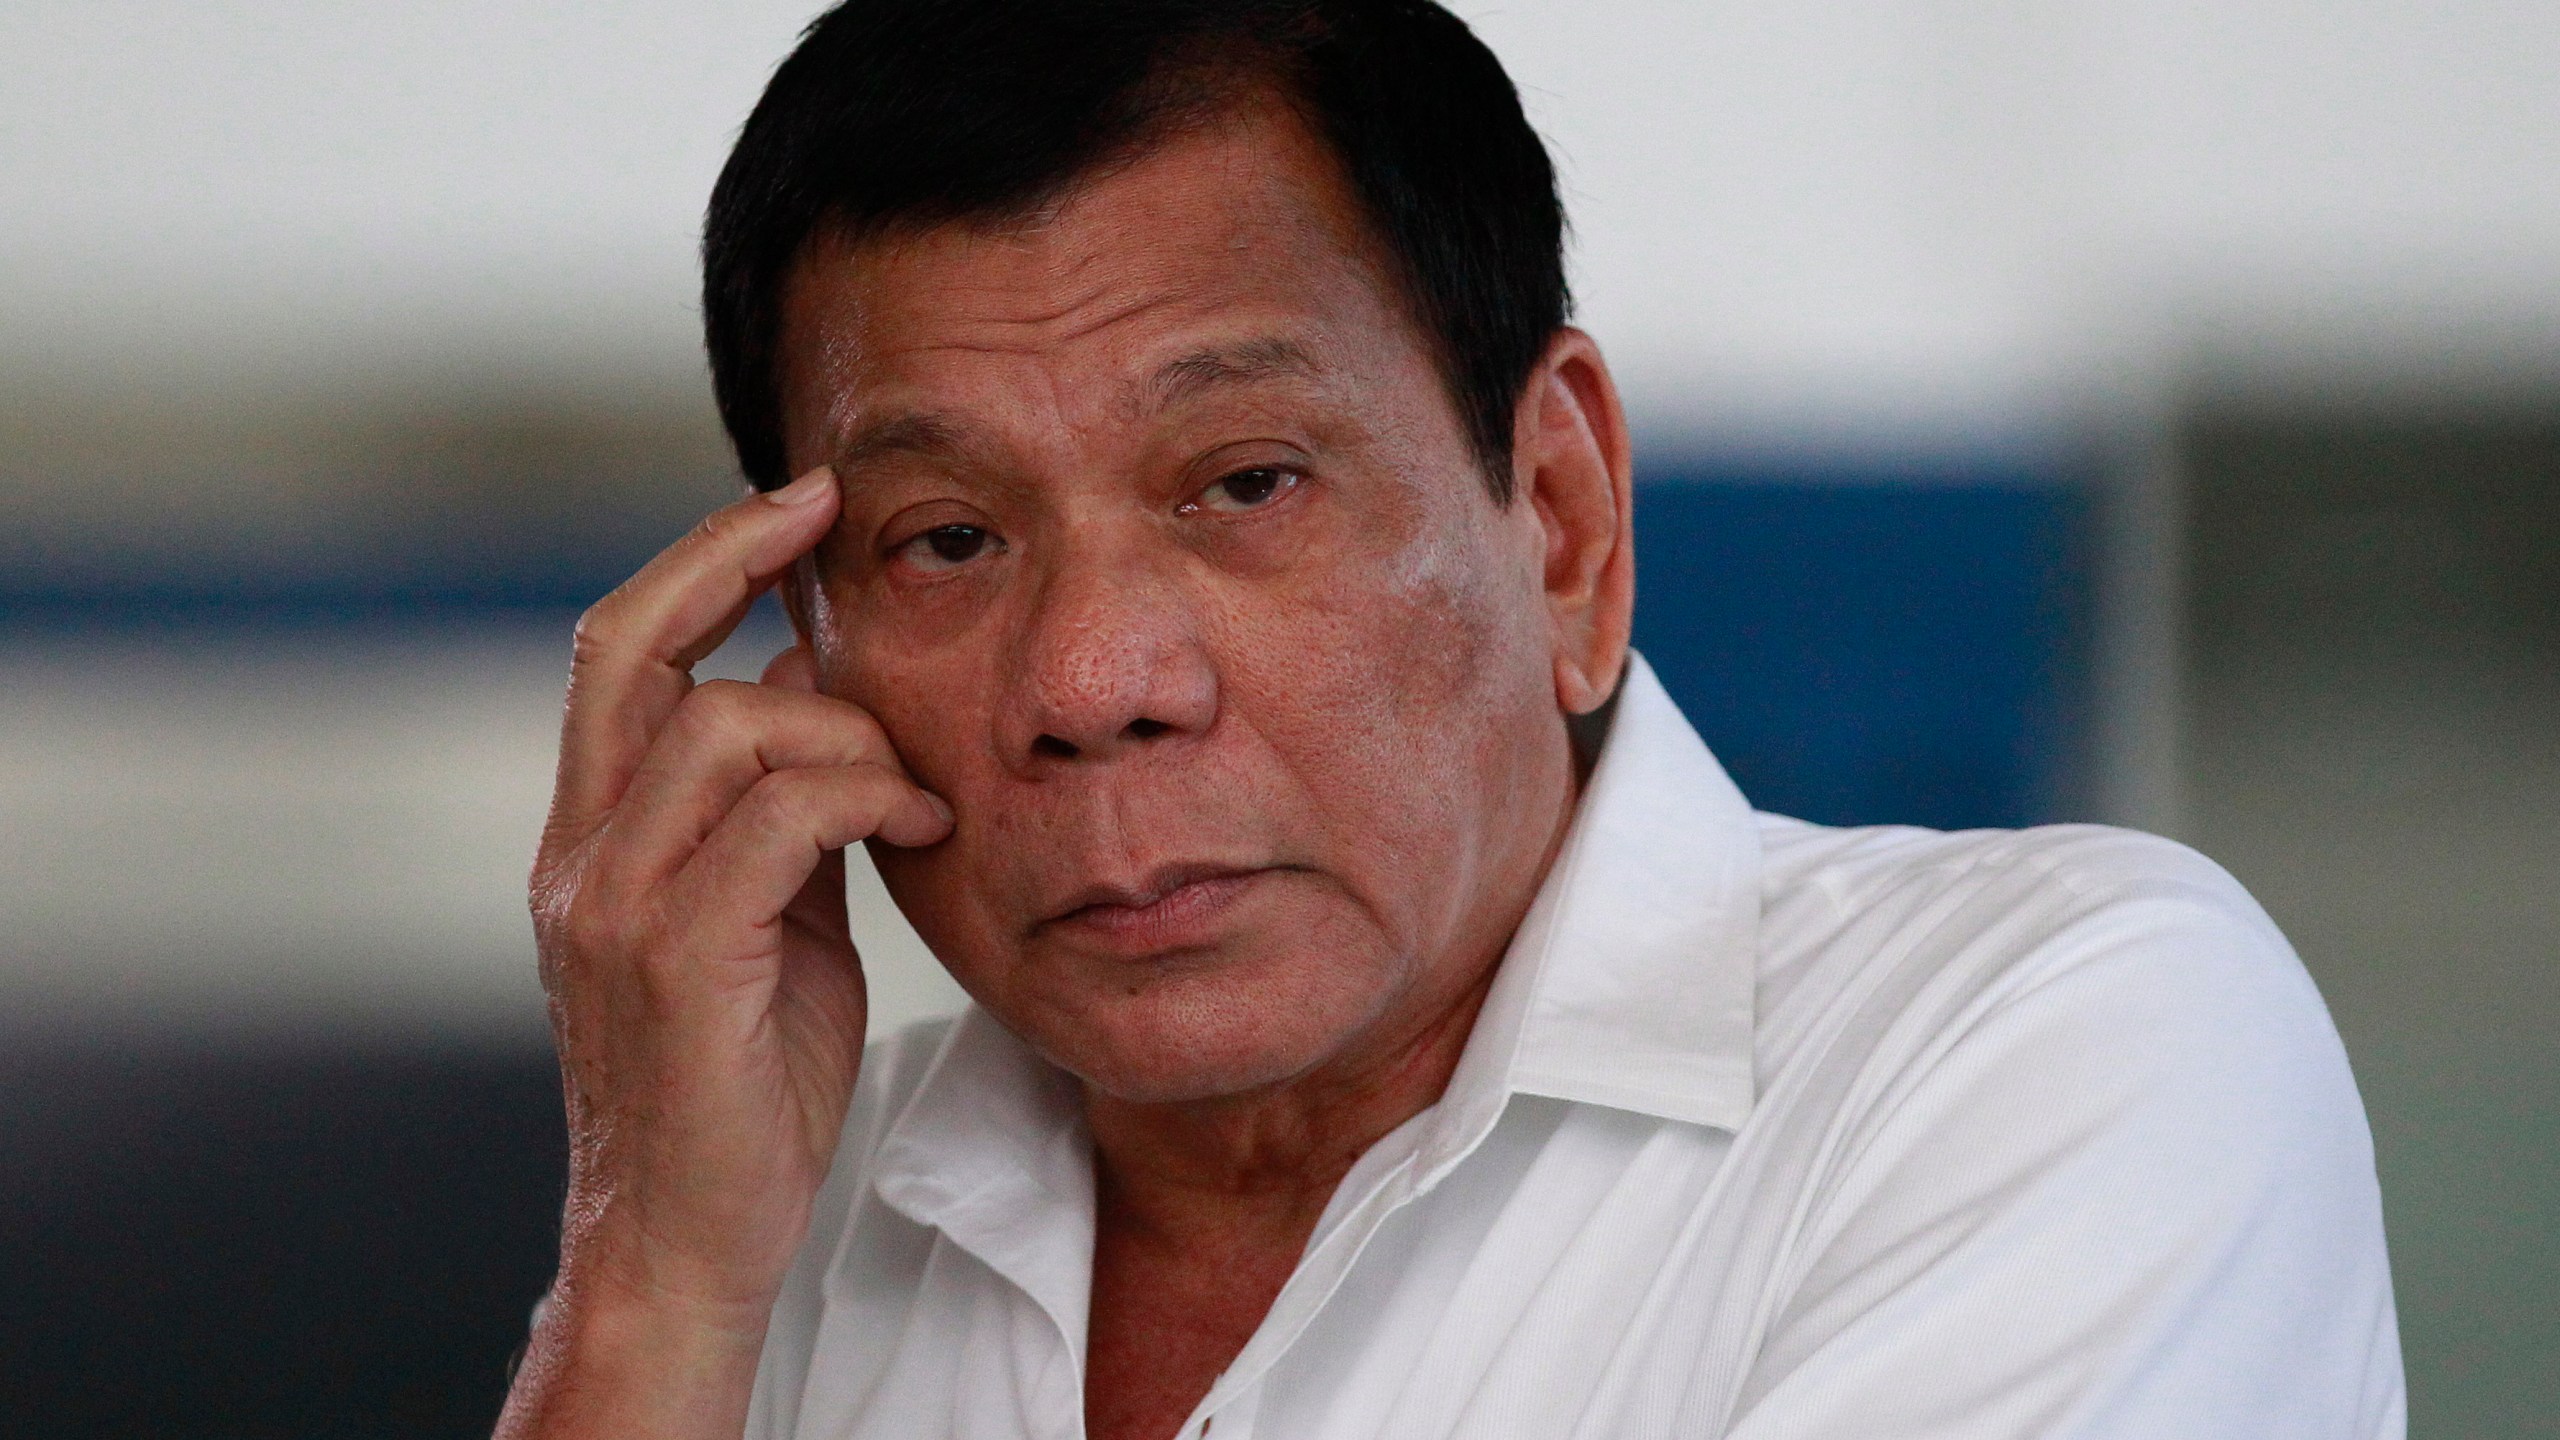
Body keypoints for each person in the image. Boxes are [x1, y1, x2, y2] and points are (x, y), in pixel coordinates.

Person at [494, 2, 2404, 1437]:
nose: (1090, 684)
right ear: (803, 649)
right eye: (947, 537)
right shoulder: (762, 1231)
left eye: (1246, 483)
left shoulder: (2040, 1046)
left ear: (1560, 516)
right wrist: (647, 1288)